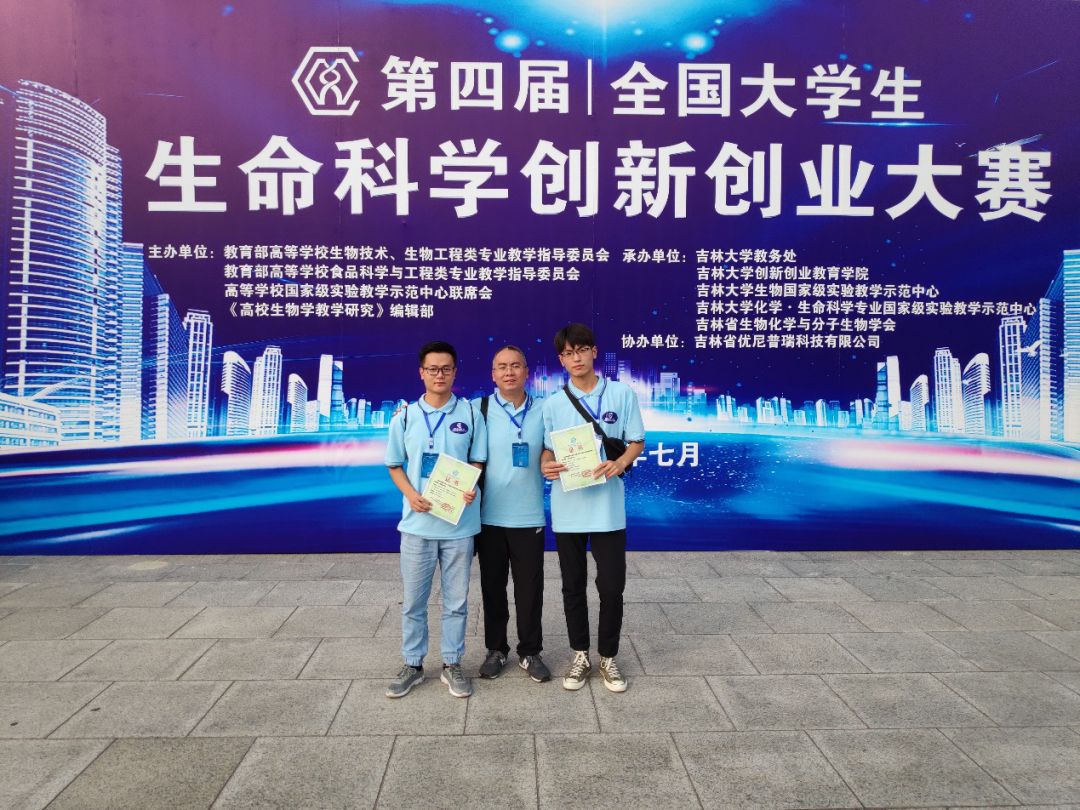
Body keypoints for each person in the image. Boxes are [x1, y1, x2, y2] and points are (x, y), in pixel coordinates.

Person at [540, 323, 644, 693]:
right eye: (568, 353)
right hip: (568, 507)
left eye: (582, 349)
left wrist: (620, 462)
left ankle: (609, 657)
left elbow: (636, 441)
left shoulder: (621, 393)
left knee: (612, 587)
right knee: (572, 587)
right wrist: (546, 465)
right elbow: (547, 449)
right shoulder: (553, 404)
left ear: (594, 352)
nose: (576, 358)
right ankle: (580, 654)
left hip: (608, 508)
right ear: (561, 359)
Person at [384, 340, 486, 699]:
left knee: (457, 602)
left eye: (445, 369)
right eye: (432, 369)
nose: (439, 375)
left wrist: (470, 485)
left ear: (455, 372)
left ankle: (452, 663)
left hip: (459, 526)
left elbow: (477, 460)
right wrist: (411, 495)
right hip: (417, 526)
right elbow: (394, 464)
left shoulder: (471, 414)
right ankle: (413, 664)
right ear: (421, 373)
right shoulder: (405, 416)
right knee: (414, 601)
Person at [473, 345, 550, 684]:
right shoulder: (477, 409)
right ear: (493, 374)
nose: (509, 372)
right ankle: (496, 649)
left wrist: (549, 458)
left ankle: (530, 652)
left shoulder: (544, 409)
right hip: (488, 516)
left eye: (515, 365)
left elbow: (553, 447)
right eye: (502, 367)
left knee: (530, 590)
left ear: (526, 371)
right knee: (493, 588)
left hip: (528, 516)